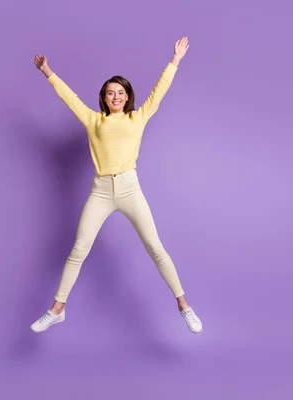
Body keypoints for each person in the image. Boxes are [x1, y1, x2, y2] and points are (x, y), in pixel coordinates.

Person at [30, 36, 202, 334]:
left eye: (120, 92)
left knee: (155, 247)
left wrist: (175, 60)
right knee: (79, 249)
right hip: (100, 192)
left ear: (127, 96)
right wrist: (47, 71)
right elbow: (69, 97)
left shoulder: (138, 118)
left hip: (130, 189)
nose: (116, 96)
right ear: (104, 98)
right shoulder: (93, 121)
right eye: (110, 93)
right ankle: (57, 309)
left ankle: (184, 305)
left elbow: (159, 92)